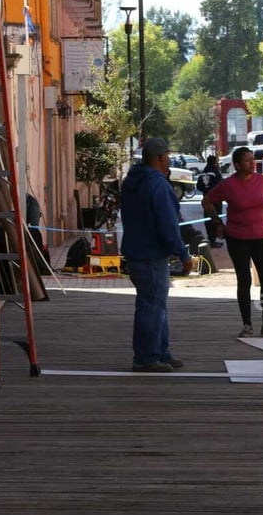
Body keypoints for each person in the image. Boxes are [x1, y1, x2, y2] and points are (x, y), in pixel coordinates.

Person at [120, 137, 192, 373]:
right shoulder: (158, 185)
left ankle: (160, 352)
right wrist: (183, 253)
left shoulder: (133, 181)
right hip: (151, 254)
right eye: (168, 156)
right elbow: (168, 224)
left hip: (136, 251)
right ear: (161, 158)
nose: (169, 160)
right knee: (152, 306)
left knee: (154, 305)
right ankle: (147, 357)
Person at [201, 146, 263, 337]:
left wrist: (262, 215)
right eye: (247, 160)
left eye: (253, 159)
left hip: (261, 236)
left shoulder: (262, 181)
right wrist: (218, 222)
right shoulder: (228, 185)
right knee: (245, 280)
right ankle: (247, 324)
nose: (253, 163)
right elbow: (207, 201)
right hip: (237, 238)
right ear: (237, 165)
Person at [196, 155, 224, 247]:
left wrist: (206, 190)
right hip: (215, 200)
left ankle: (211, 239)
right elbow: (221, 185)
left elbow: (198, 186)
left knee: (208, 220)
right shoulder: (215, 173)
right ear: (214, 162)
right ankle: (214, 240)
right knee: (216, 219)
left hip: (206, 200)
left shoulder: (203, 172)